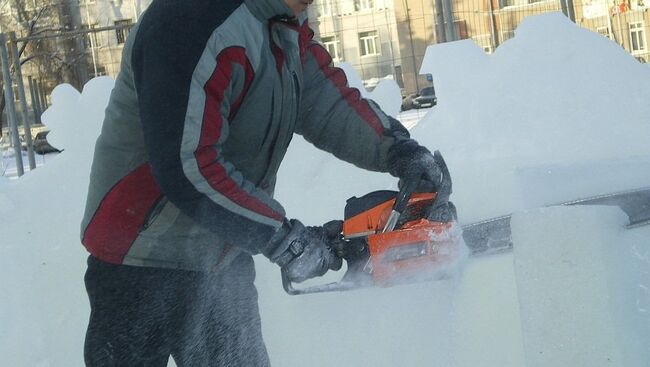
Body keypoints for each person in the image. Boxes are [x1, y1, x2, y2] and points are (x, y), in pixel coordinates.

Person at [80, 0, 449, 365]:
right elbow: (186, 165)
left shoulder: (281, 23)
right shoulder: (189, 19)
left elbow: (326, 101)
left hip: (222, 254)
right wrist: (281, 238)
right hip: (139, 257)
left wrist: (398, 151)